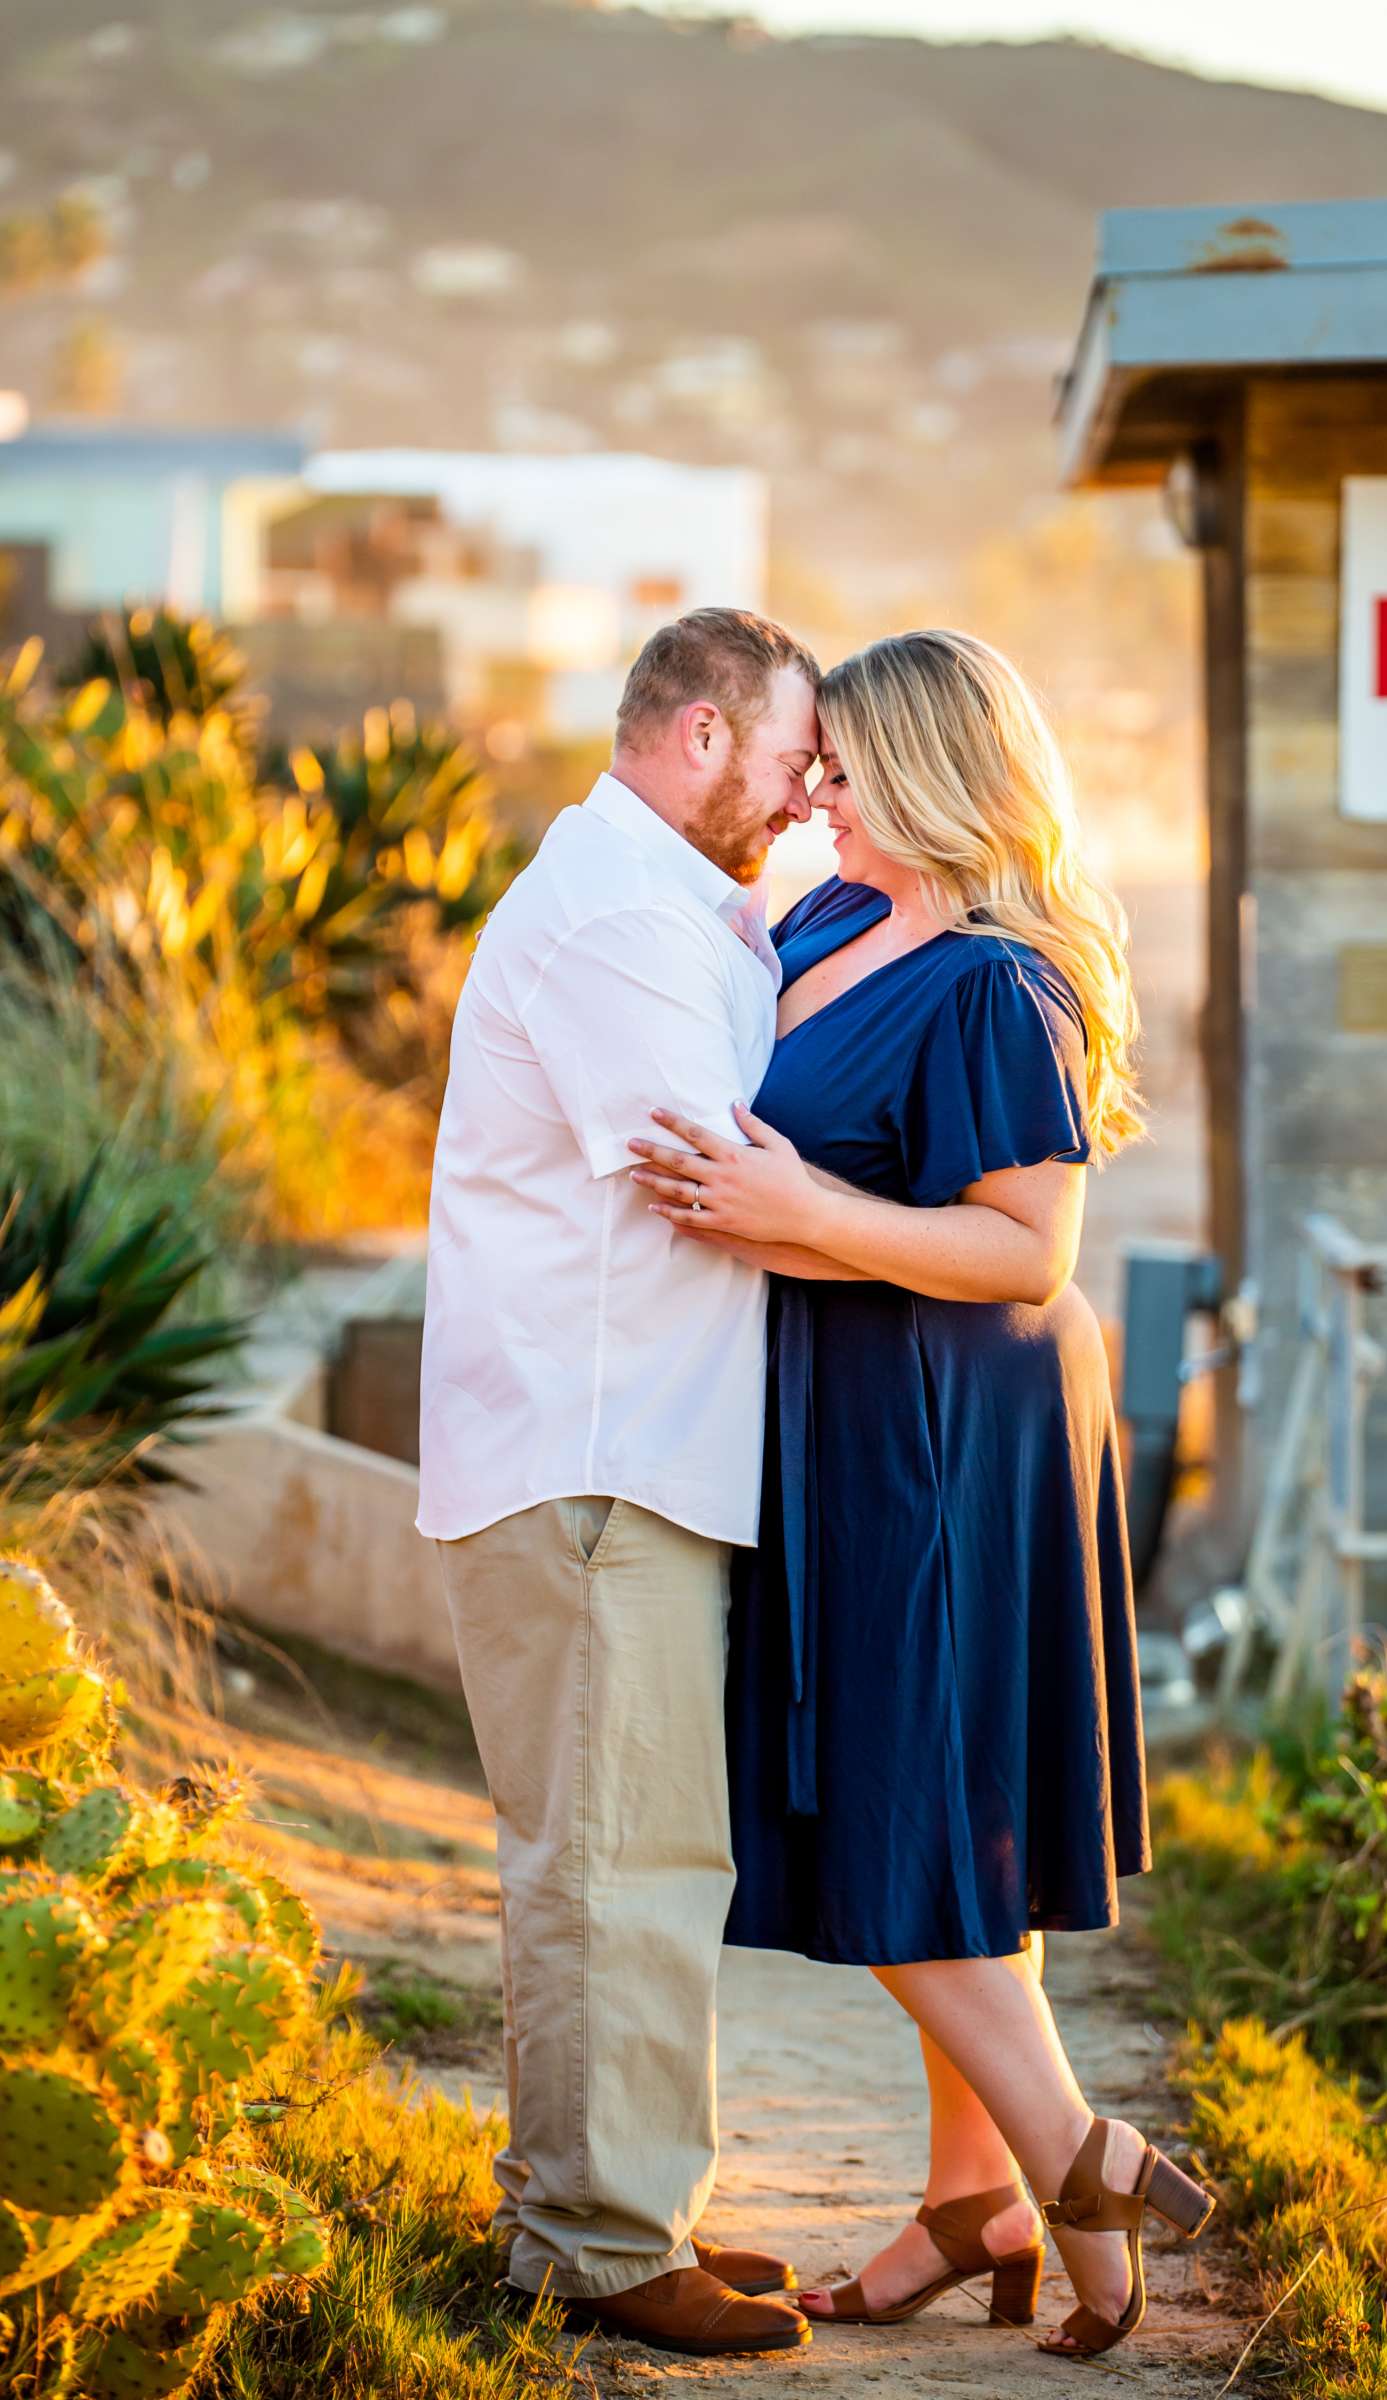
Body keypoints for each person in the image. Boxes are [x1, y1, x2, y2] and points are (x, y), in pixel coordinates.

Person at [627, 628, 1214, 2361]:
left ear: (940, 774)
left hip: (949, 1422)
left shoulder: (993, 984)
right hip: (843, 1408)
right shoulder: (814, 920)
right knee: (948, 1817)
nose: (814, 788)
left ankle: (1072, 2159)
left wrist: (801, 1218)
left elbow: (1029, 1244)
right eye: (813, 762)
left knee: (894, 1807)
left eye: (846, 764)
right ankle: (978, 2209)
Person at [417, 608, 821, 2357]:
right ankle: (593, 2248)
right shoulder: (603, 917)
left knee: (651, 1849)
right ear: (705, 735)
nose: (808, 791)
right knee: (604, 1858)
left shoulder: (673, 910)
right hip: (587, 1457)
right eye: (796, 753)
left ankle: (629, 2207)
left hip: (631, 1453)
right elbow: (711, 1164)